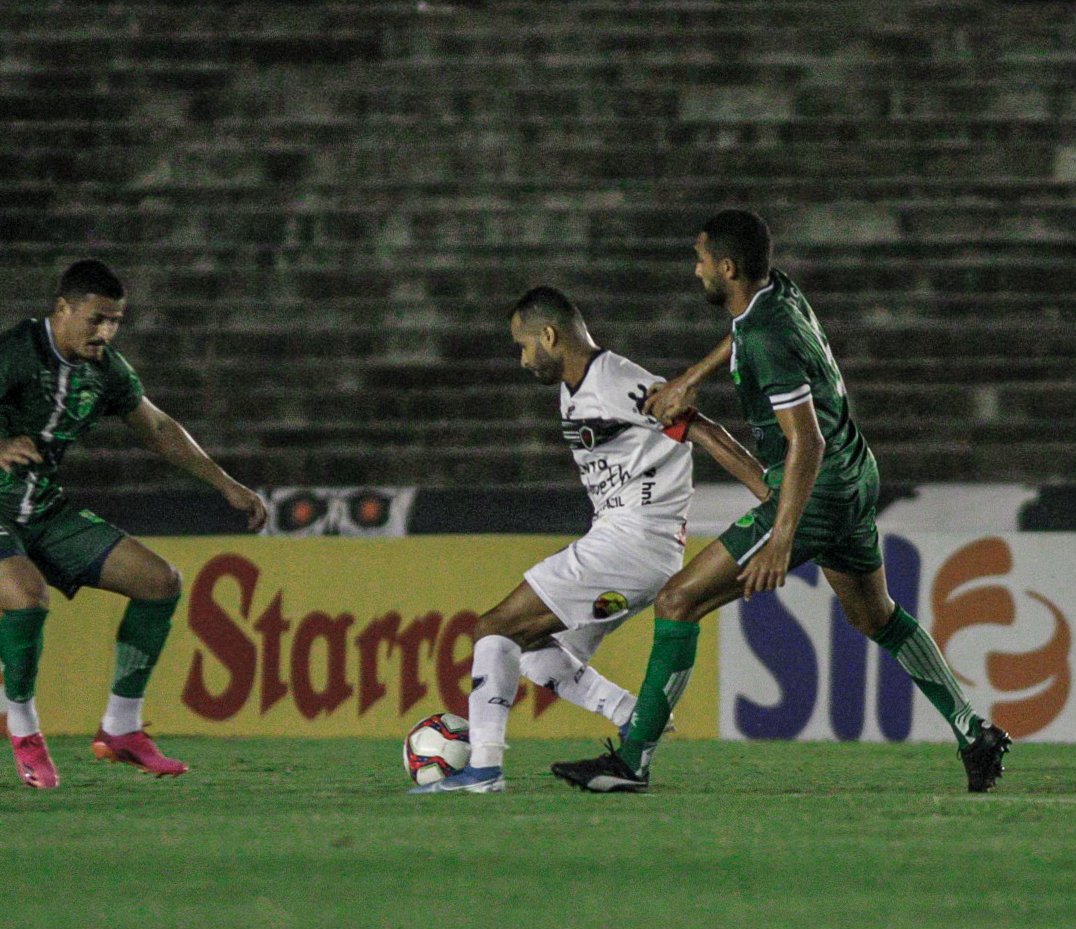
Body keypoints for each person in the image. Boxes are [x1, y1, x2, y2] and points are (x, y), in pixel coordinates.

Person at [551, 210, 1011, 793]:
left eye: (701, 261)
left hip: (815, 486)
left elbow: (806, 441)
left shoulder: (767, 339)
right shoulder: (775, 291)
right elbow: (744, 331)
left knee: (676, 602)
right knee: (875, 615)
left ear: (728, 267)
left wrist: (782, 539)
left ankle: (633, 760)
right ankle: (973, 731)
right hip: (855, 473)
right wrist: (693, 377)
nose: (695, 271)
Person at [0, 259, 267, 788]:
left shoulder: (105, 370)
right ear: (62, 309)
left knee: (160, 582)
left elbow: (157, 427)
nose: (105, 331)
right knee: (27, 596)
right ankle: (25, 731)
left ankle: (122, 729)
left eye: (115, 321)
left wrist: (225, 483)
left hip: (42, 508)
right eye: (95, 319)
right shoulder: (15, 352)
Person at [413, 286, 771, 793]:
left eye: (524, 345)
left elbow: (704, 431)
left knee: (496, 627)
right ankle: (627, 713)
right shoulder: (576, 389)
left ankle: (484, 768)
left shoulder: (614, 381)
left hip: (631, 543)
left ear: (550, 336)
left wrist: (771, 494)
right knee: (535, 652)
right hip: (638, 551)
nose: (522, 360)